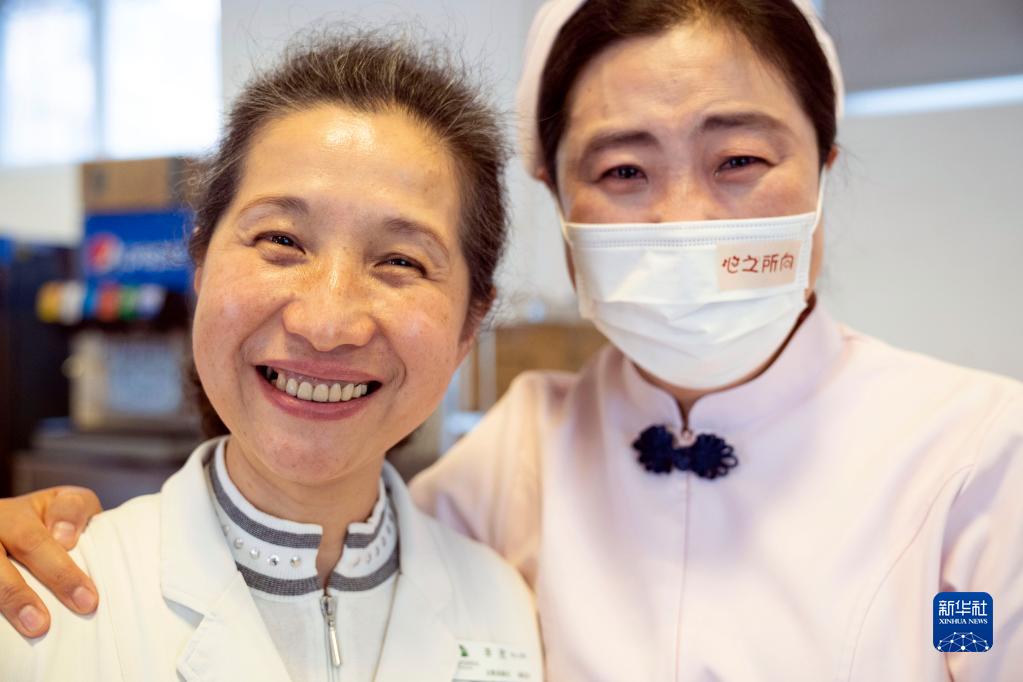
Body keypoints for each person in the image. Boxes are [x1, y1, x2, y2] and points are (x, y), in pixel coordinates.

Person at [2, 1, 1022, 680]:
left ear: (825, 163)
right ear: (559, 199)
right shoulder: (514, 457)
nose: (682, 217)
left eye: (740, 159)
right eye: (623, 171)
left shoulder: (974, 453)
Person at [0, 32, 542, 682]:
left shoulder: (507, 612)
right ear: (201, 265)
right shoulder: (35, 609)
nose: (327, 323)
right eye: (281, 240)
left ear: (468, 326)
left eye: (401, 260)